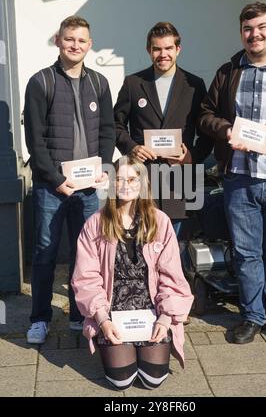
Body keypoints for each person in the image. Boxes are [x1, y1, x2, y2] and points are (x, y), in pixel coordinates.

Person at [198, 2, 266, 344]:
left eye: (260, 27)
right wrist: (226, 130)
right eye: (247, 29)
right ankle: (253, 316)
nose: (253, 34)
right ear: (241, 33)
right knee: (246, 252)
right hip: (239, 179)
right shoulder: (228, 73)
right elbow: (205, 114)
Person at [24, 15, 115, 344]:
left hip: (89, 188)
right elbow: (35, 140)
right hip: (52, 188)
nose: (75, 45)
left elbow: (108, 131)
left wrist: (104, 165)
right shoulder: (41, 82)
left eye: (81, 40)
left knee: (86, 254)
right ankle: (40, 318)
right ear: (58, 41)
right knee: (45, 252)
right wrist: (53, 178)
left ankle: (81, 313)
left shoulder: (99, 84)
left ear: (89, 45)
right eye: (69, 39)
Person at [71, 156, 194, 390]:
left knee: (153, 379)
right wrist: (102, 320)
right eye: (119, 179)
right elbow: (86, 278)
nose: (125, 185)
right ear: (111, 184)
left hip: (152, 305)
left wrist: (166, 318)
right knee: (121, 380)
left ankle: (142, 347)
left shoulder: (160, 221)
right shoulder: (95, 224)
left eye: (132, 179)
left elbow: (172, 276)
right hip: (113, 307)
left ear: (143, 183)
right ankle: (118, 345)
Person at [114, 22, 214, 237]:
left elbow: (207, 130)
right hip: (143, 178)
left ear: (178, 49)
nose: (163, 54)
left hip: (179, 180)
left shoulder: (194, 85)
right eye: (157, 48)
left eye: (168, 48)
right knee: (143, 245)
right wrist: (132, 148)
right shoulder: (133, 83)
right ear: (149, 50)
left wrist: (191, 157)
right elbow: (115, 125)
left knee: (174, 248)